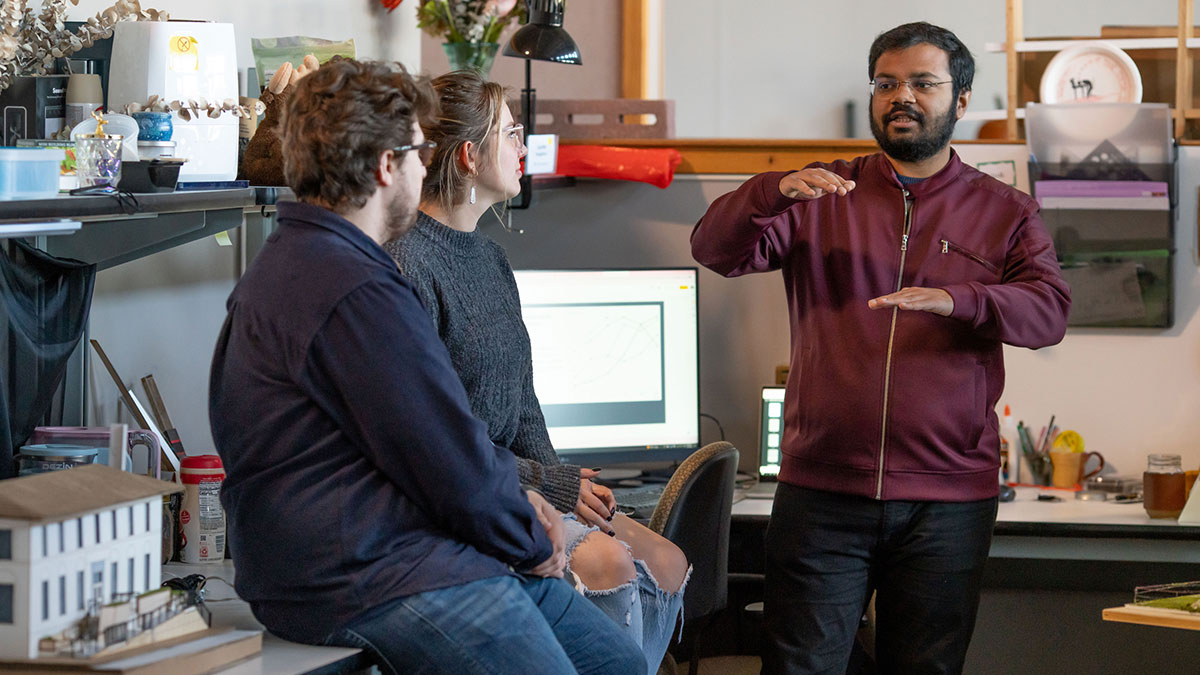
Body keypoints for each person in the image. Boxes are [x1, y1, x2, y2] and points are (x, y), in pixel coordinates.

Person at [208, 57, 643, 675]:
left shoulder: (315, 261)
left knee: (617, 666)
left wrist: (530, 506)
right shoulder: (350, 287)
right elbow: (443, 454)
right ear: (388, 167)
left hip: (407, 553)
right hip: (366, 574)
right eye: (417, 152)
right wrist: (527, 531)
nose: (424, 165)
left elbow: (441, 446)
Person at [691, 22, 1071, 675]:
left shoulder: (1005, 210)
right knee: (797, 667)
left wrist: (964, 300)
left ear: (960, 99)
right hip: (821, 490)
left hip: (948, 501)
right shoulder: (818, 193)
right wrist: (769, 189)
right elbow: (713, 249)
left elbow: (1049, 314)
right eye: (887, 83)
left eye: (924, 83)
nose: (903, 97)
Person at [385, 70, 689, 675]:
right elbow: (437, 441)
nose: (524, 146)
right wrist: (552, 490)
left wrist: (566, 486)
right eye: (511, 132)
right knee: (610, 563)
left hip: (522, 483)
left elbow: (522, 403)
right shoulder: (408, 261)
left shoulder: (491, 259)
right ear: (470, 156)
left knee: (667, 558)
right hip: (463, 498)